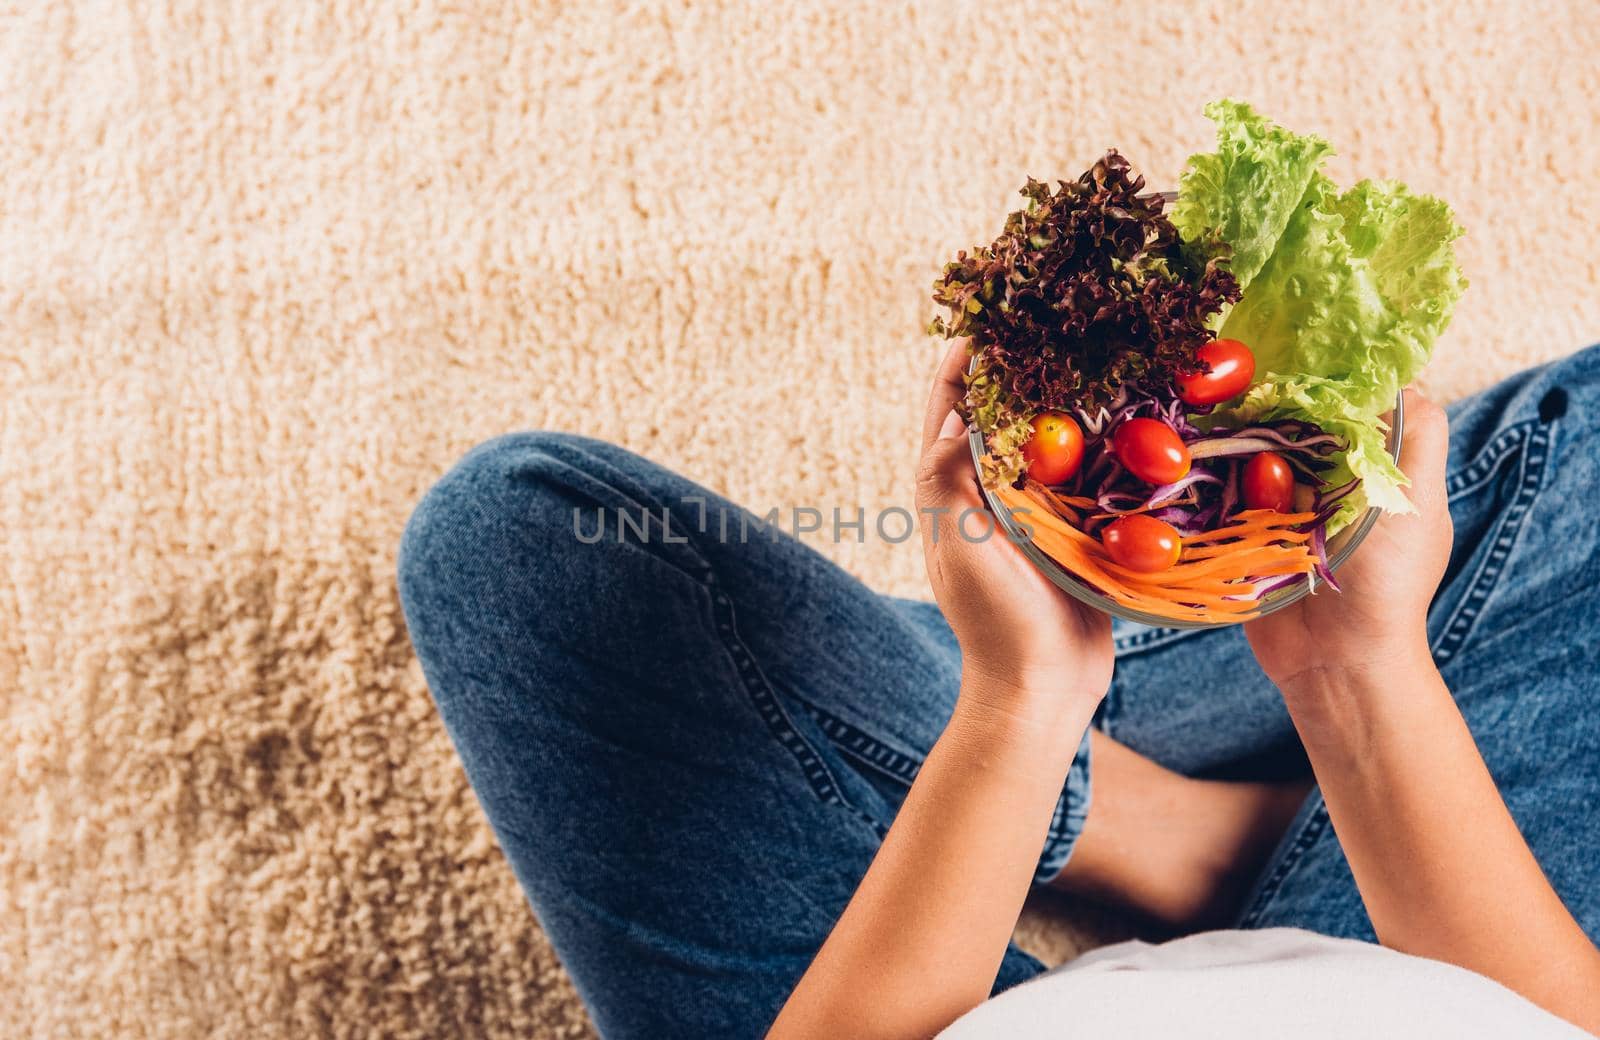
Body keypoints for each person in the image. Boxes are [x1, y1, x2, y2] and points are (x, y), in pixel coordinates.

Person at [397, 341, 1600, 1039]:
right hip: (1447, 947)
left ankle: (1150, 812)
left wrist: (1021, 706)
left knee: (519, 547)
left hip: (902, 996)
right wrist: (1356, 675)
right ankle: (1216, 838)